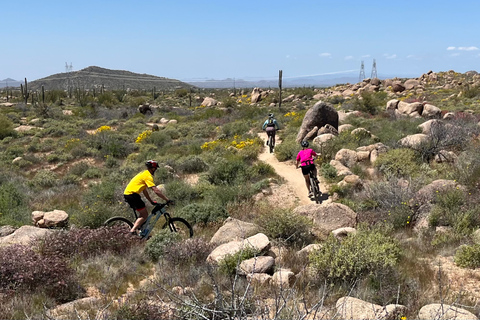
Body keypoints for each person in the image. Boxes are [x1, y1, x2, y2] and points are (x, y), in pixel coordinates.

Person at [123, 160, 172, 235]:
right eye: (155, 168)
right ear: (153, 168)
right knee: (144, 214)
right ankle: (132, 231)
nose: (155, 170)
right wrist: (167, 199)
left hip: (128, 194)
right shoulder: (148, 176)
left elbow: (144, 190)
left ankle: (139, 230)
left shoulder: (143, 173)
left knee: (142, 212)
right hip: (132, 195)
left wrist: (151, 201)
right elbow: (155, 190)